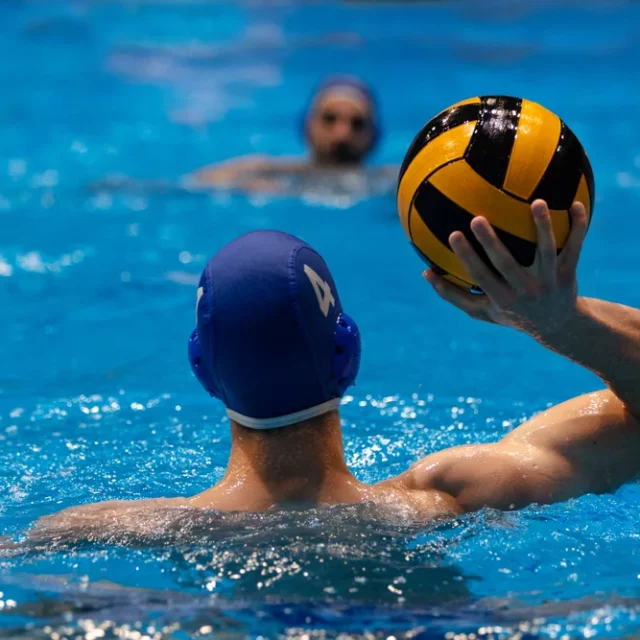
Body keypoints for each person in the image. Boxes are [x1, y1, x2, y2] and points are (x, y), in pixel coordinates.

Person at [20, 199, 640, 545]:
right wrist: (559, 322)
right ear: (348, 356)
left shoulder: (101, 533)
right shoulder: (454, 499)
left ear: (202, 370)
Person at [192, 75, 395, 193]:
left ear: (374, 136)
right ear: (307, 126)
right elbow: (197, 182)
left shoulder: (392, 183)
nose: (342, 133)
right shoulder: (268, 172)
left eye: (357, 124)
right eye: (329, 119)